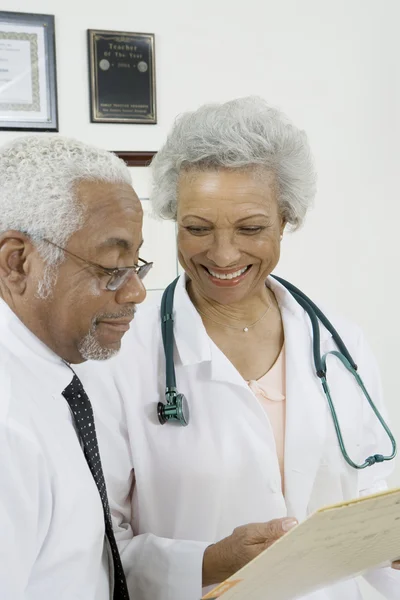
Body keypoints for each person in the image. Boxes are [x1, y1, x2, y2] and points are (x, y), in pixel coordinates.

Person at [78, 97, 400, 600]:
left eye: (250, 228)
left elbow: (372, 488)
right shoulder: (120, 352)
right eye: (197, 228)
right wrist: (210, 561)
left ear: (285, 219)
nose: (223, 254)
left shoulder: (340, 342)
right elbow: (96, 543)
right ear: (172, 219)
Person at [0, 136, 151, 599]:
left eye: (136, 265)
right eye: (111, 267)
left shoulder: (53, 376)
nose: (135, 293)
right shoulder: (7, 427)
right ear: (17, 262)